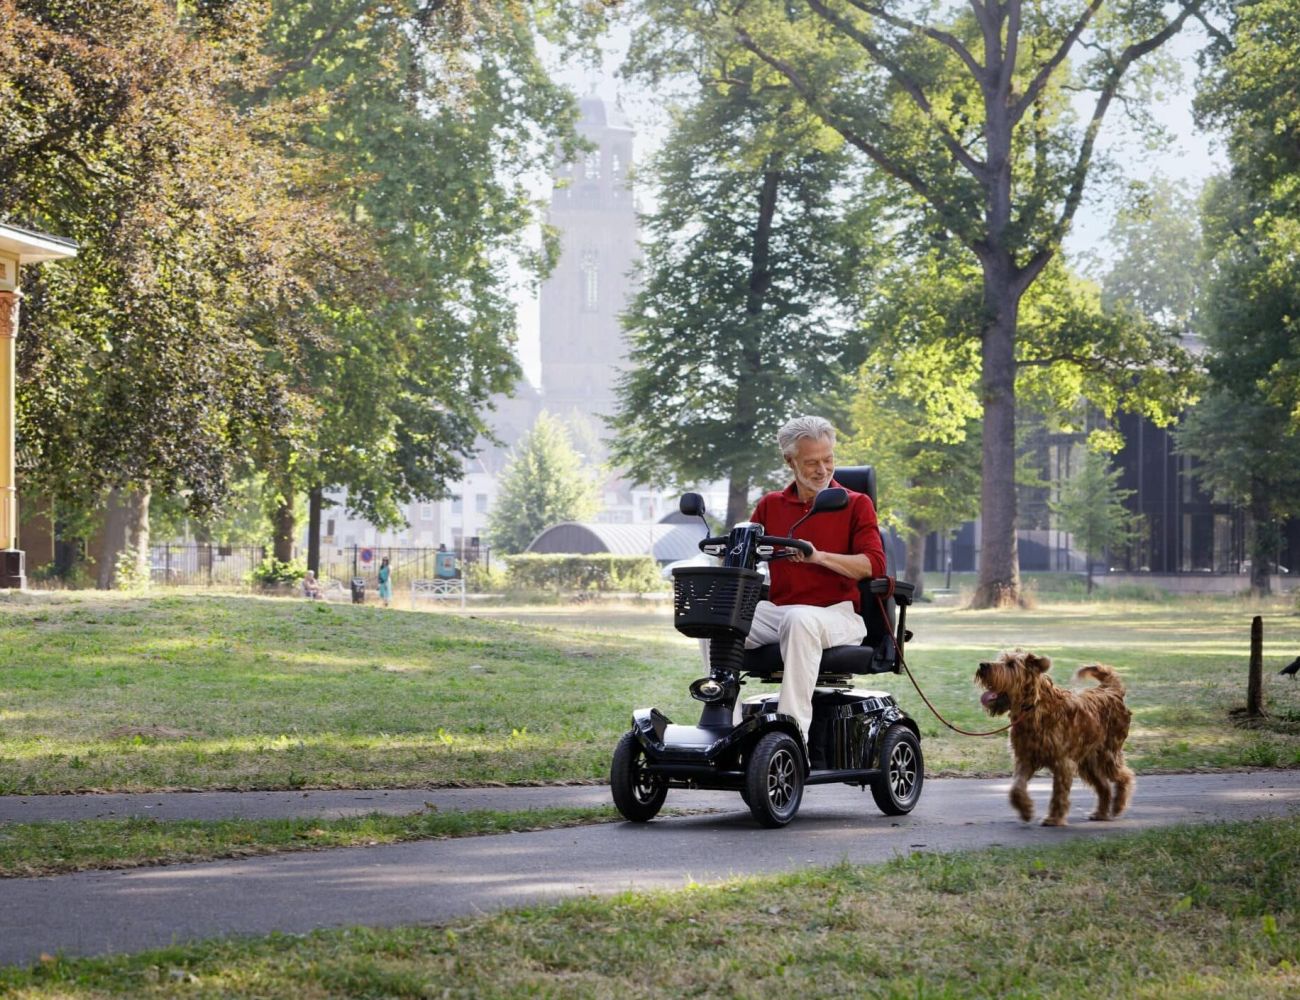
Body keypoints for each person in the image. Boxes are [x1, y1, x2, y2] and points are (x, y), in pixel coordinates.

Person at [741, 415, 887, 744]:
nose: (822, 470)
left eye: (829, 459)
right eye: (812, 462)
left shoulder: (856, 504)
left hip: (840, 616)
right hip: (785, 613)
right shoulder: (770, 505)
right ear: (789, 461)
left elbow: (873, 564)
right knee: (718, 618)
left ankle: (791, 735)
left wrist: (818, 556)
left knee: (798, 618)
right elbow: (746, 556)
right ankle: (724, 719)